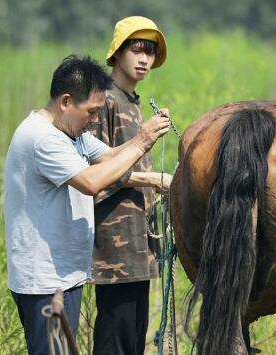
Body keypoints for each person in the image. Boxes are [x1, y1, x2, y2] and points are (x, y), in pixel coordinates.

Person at [3, 54, 170, 355]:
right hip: (44, 282)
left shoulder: (72, 133)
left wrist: (154, 169)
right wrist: (143, 141)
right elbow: (92, 181)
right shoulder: (43, 139)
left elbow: (110, 157)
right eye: (91, 112)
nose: (95, 120)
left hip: (66, 275)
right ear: (66, 102)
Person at [90, 16, 173, 355]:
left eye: (150, 52)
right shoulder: (105, 100)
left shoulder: (133, 101)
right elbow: (93, 172)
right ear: (117, 53)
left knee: (134, 338)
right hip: (114, 247)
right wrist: (153, 179)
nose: (144, 59)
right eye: (136, 50)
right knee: (116, 339)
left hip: (139, 242)